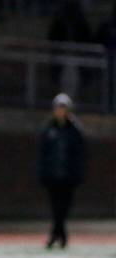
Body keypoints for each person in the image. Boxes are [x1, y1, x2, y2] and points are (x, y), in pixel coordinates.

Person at [38, 93, 86, 249]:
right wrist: (43, 173)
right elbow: (43, 154)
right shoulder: (48, 129)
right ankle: (60, 236)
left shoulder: (74, 130)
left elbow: (80, 154)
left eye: (63, 108)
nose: (60, 111)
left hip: (68, 177)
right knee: (55, 207)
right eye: (58, 107)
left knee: (64, 208)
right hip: (53, 176)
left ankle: (56, 235)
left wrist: (78, 173)